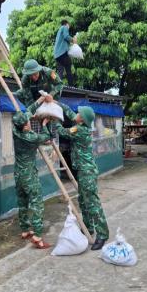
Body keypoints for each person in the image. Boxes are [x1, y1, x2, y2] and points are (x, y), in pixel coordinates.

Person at [53, 103, 109, 250]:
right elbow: (70, 113)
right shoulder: (80, 124)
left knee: (92, 203)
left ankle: (102, 234)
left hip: (87, 172)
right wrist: (56, 103)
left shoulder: (80, 130)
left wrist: (53, 118)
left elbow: (62, 131)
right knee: (83, 202)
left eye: (78, 114)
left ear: (82, 119)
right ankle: (88, 229)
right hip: (82, 171)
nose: (75, 115)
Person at [13, 98, 52, 249]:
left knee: (22, 202)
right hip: (29, 175)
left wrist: (40, 100)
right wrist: (44, 124)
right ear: (26, 124)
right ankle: (37, 235)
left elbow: (27, 112)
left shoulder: (15, 131)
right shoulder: (32, 138)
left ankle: (24, 230)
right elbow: (47, 137)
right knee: (37, 204)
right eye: (28, 120)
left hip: (18, 174)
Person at [54, 19, 76, 86]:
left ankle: (58, 86)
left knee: (60, 71)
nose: (68, 27)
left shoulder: (59, 31)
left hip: (57, 55)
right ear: (67, 24)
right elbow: (66, 36)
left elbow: (64, 41)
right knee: (68, 67)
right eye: (69, 25)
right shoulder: (64, 27)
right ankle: (71, 86)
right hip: (62, 53)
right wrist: (73, 40)